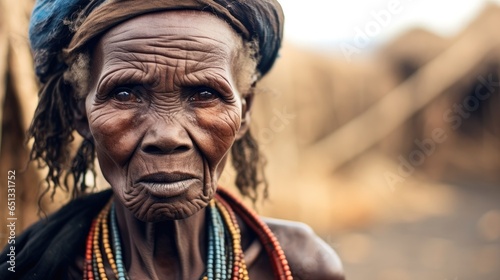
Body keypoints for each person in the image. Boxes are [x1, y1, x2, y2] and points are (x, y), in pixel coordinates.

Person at [0, 0, 344, 279]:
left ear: (245, 109)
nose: (167, 136)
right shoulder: (33, 268)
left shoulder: (300, 265)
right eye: (124, 93)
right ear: (80, 113)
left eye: (205, 94)